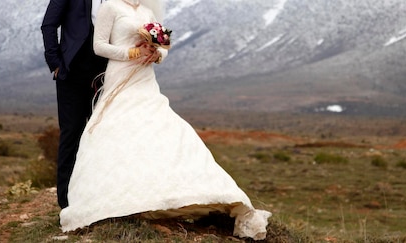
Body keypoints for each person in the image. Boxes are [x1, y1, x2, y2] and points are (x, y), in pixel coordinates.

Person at [59, 0, 271, 240]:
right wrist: (131, 53)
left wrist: (156, 54)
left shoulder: (149, 12)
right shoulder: (111, 7)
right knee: (119, 130)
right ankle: (117, 195)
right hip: (120, 75)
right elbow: (99, 46)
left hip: (145, 77)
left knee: (159, 128)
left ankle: (164, 192)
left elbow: (165, 45)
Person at [41, 0, 108, 209]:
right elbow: (49, 24)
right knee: (71, 135)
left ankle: (99, 196)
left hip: (106, 74)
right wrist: (56, 63)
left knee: (103, 135)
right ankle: (67, 202)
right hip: (71, 74)